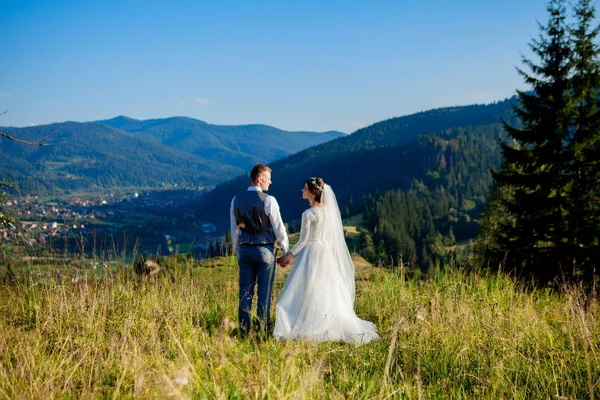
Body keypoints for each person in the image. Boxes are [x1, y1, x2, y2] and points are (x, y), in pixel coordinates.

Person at [273, 177, 380, 344]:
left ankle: (309, 323)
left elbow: (303, 241)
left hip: (311, 253)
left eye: (305, 189)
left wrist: (289, 255)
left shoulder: (308, 214)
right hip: (326, 253)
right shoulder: (330, 212)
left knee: (307, 288)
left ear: (312, 193)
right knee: (324, 288)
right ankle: (325, 321)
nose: (302, 191)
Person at [230, 164, 289, 338]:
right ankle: (262, 332)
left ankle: (243, 332)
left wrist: (238, 252)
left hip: (245, 249)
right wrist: (286, 250)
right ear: (259, 179)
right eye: (268, 178)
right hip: (265, 251)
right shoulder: (269, 200)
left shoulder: (236, 200)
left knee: (245, 292)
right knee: (264, 291)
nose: (270, 182)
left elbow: (234, 229)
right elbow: (279, 228)